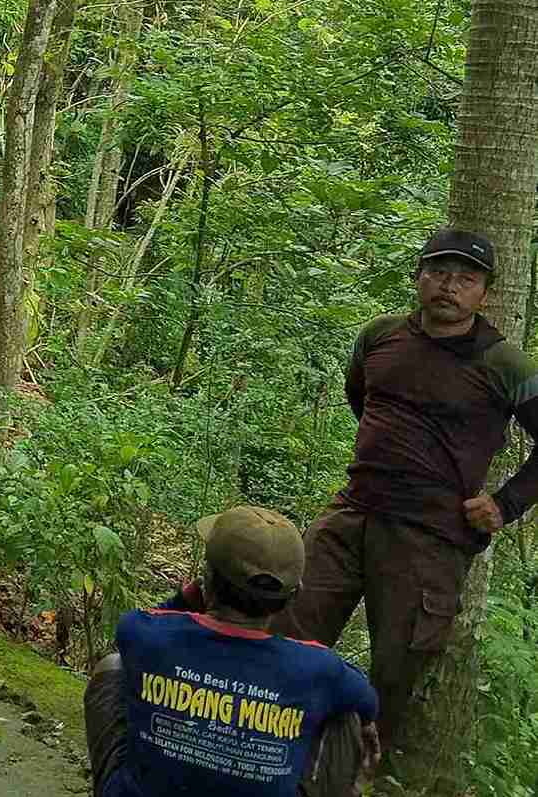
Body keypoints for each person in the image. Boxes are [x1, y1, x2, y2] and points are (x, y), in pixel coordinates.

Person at [270, 227, 538, 760]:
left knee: (395, 670)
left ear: (484, 293)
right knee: (287, 632)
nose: (449, 287)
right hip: (351, 514)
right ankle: (270, 751)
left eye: (466, 278)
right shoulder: (379, 337)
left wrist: (505, 504)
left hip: (430, 538)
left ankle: (362, 770)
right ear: (419, 277)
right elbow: (362, 399)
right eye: (439, 272)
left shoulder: (505, 365)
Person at [85, 505, 380, 797]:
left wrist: (190, 594)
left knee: (112, 666)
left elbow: (145, 622)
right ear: (294, 596)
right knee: (346, 717)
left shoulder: (145, 633)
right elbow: (367, 701)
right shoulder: (318, 668)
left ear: (208, 579)